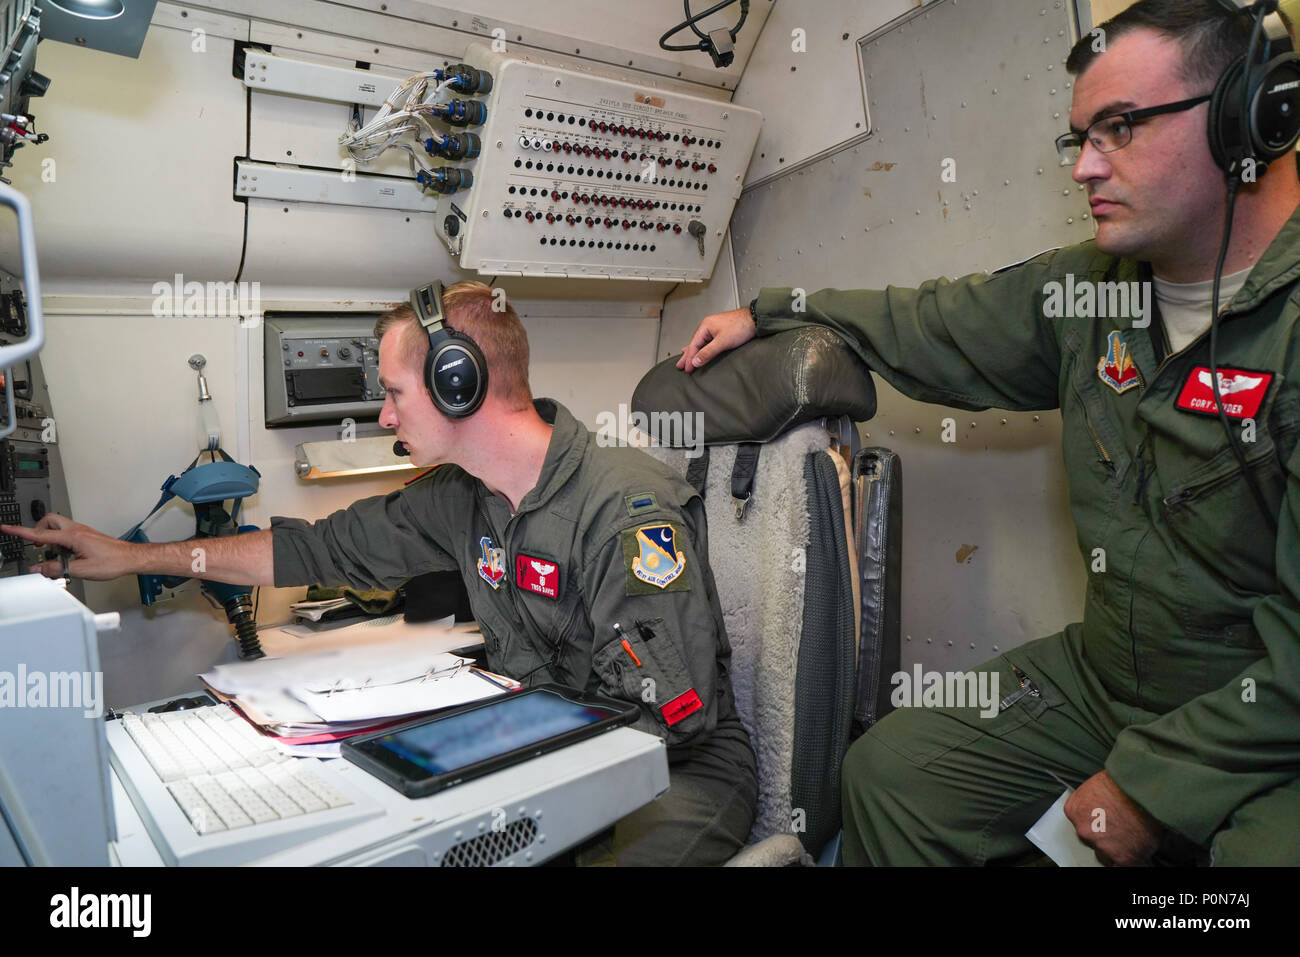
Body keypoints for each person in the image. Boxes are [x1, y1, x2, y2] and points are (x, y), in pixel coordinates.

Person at [677, 0, 1300, 866]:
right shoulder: (1096, 291)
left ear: (1252, 115)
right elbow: (930, 322)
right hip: (1114, 680)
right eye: (1078, 136)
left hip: (1270, 719)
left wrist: (1153, 783)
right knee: (893, 772)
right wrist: (774, 307)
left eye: (1119, 127)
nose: (1085, 167)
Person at [3, 280, 757, 866]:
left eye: (395, 394)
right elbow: (316, 548)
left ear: (458, 383)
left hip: (678, 774)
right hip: (555, 744)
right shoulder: (462, 499)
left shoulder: (625, 511)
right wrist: (133, 555)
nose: (386, 418)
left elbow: (662, 716)